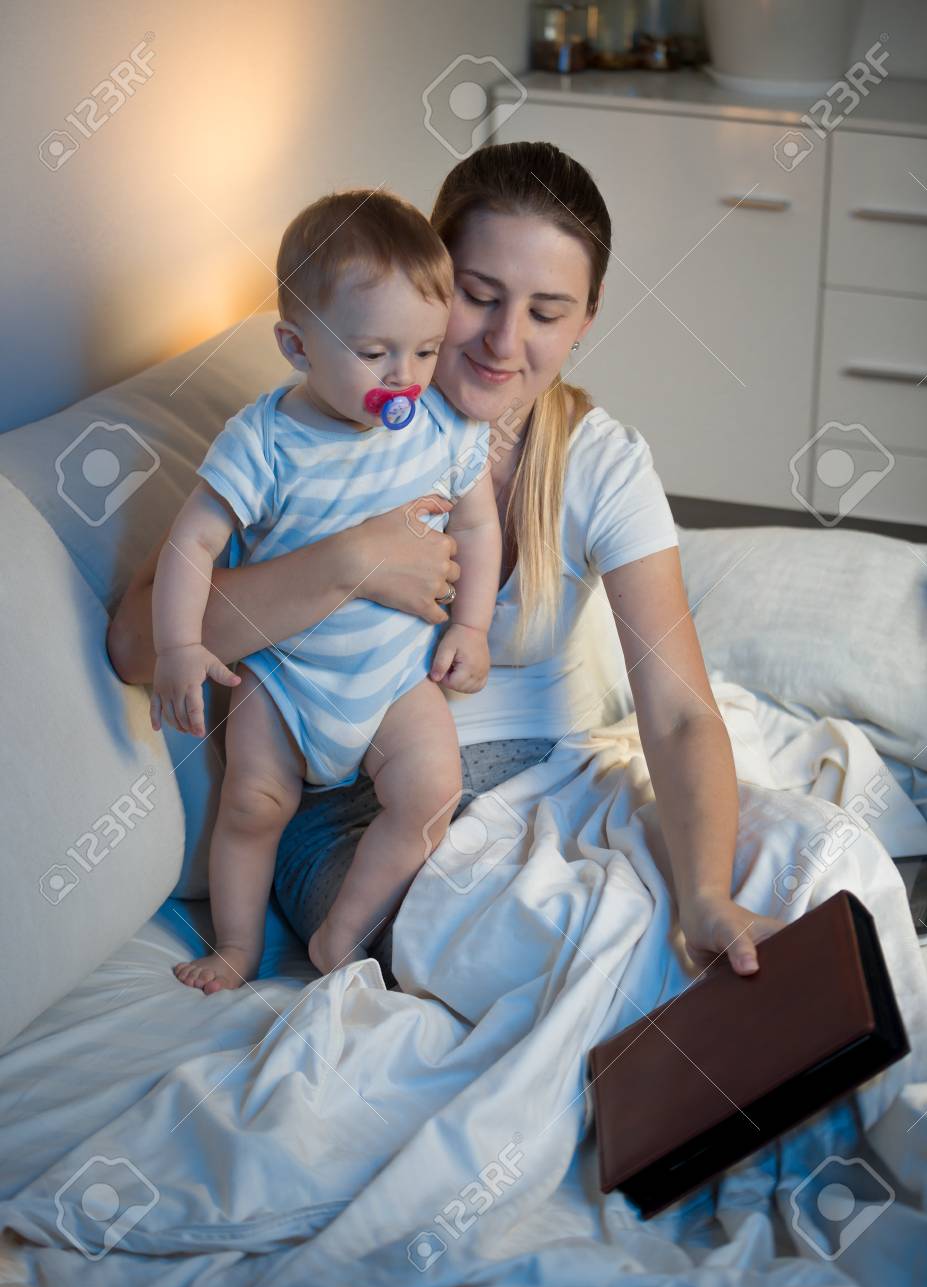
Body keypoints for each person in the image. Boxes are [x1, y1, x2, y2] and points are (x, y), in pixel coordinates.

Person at [108, 141, 784, 987]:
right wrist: (352, 562)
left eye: (547, 311)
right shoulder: (326, 422)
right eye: (479, 295)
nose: (504, 342)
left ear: (588, 317)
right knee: (556, 954)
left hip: (546, 782)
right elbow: (139, 643)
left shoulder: (601, 462)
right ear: (428, 276)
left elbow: (682, 716)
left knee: (794, 874)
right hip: (360, 812)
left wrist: (709, 893)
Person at [148, 190, 500, 992]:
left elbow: (477, 527)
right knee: (253, 806)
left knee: (432, 790)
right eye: (376, 353)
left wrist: (471, 627)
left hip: (392, 676)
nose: (404, 378)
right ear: (297, 345)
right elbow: (193, 538)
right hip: (285, 677)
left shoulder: (443, 425)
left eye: (423, 351)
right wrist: (178, 646)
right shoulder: (265, 438)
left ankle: (341, 933)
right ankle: (236, 948)